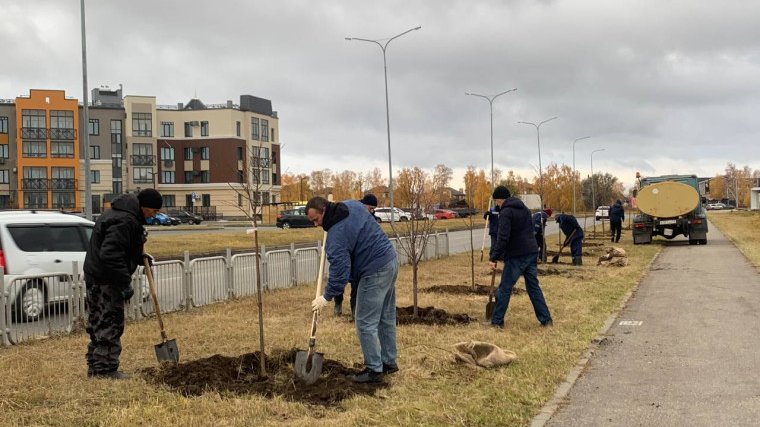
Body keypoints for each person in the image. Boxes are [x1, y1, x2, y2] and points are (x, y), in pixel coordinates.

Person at [306, 196, 399, 383]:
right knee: (384, 317)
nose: (316, 225)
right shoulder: (352, 205)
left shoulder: (336, 236)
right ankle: (388, 362)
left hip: (373, 271)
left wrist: (326, 297)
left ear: (324, 210)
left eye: (316, 220)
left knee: (365, 322)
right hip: (390, 260)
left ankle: (374, 370)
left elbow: (340, 272)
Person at [84, 188, 163, 379]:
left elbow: (120, 248)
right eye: (153, 212)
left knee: (97, 322)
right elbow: (110, 254)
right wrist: (123, 283)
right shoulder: (125, 221)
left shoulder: (120, 215)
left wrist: (137, 255)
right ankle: (105, 370)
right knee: (110, 322)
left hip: (96, 276)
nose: (153, 216)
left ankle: (96, 366)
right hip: (107, 280)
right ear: (144, 207)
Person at [487, 186, 552, 328]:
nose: (496, 205)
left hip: (517, 255)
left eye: (496, 202)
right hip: (531, 251)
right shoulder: (524, 209)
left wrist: (494, 257)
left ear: (500, 199)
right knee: (533, 287)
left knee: (504, 288)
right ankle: (546, 320)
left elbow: (503, 237)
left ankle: (497, 322)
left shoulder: (506, 212)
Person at [334, 193, 379, 316]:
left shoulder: (372, 219)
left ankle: (355, 310)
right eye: (370, 208)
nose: (371, 212)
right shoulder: (350, 213)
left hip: (360, 256)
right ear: (363, 205)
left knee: (356, 284)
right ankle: (338, 303)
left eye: (373, 210)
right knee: (340, 279)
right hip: (345, 252)